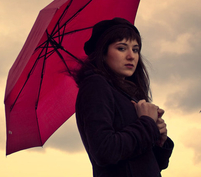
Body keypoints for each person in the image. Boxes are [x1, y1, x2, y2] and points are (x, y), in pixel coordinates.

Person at [73, 17, 174, 177]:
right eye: (121, 48)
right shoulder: (95, 85)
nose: (131, 56)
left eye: (135, 49)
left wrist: (158, 139)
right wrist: (147, 124)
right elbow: (104, 150)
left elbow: (153, 164)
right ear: (103, 52)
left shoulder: (129, 94)